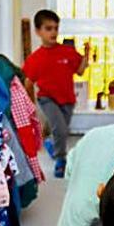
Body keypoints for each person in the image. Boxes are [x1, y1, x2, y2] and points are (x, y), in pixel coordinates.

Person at [23, 10, 90, 178]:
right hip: (47, 99)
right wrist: (28, 105)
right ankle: (61, 160)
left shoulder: (67, 52)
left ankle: (51, 144)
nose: (53, 32)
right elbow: (28, 83)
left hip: (67, 99)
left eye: (55, 28)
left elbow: (80, 71)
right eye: (48, 28)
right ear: (38, 31)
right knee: (59, 129)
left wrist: (86, 56)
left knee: (62, 130)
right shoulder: (35, 58)